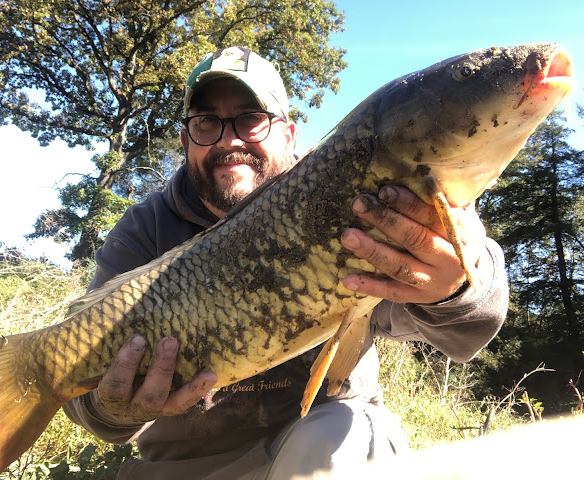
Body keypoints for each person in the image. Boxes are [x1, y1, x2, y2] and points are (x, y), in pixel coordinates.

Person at [64, 46, 509, 479]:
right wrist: (108, 410)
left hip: (321, 451)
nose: (229, 140)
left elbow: (465, 333)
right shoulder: (145, 229)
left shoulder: (355, 199)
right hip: (185, 467)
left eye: (251, 119)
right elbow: (82, 393)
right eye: (205, 123)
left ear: (289, 134)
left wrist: (458, 289)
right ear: (185, 140)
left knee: (355, 431)